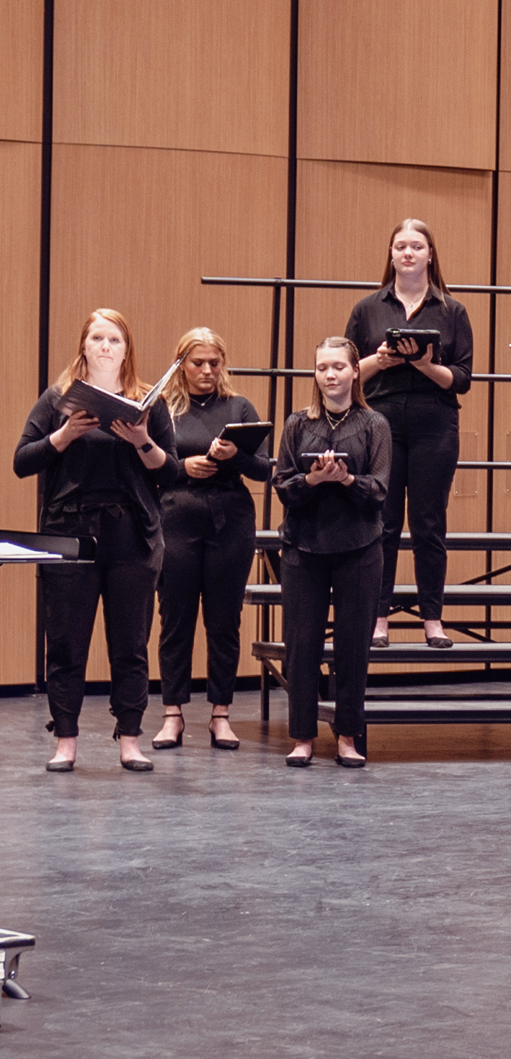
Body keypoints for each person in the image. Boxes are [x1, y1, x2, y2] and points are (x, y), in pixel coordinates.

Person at [14, 309, 178, 772]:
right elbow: (22, 461)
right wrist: (64, 435)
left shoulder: (148, 401)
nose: (106, 347)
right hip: (71, 533)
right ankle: (65, 740)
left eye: (115, 340)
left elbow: (173, 472)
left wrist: (143, 440)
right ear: (83, 346)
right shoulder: (57, 398)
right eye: (98, 338)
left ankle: (130, 739)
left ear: (127, 350)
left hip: (131, 534)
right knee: (66, 642)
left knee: (130, 643)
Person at [344, 218, 472, 648]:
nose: (408, 253)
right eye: (400, 246)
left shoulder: (452, 310)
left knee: (429, 524)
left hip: (434, 422)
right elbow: (346, 373)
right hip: (379, 422)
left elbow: (462, 378)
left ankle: (432, 620)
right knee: (382, 523)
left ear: (430, 254)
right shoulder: (368, 309)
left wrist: (424, 365)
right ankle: (377, 618)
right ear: (392, 254)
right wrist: (379, 360)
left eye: (417, 246)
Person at [273, 337, 391, 768]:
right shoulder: (297, 424)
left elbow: (379, 491)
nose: (330, 375)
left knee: (352, 647)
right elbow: (283, 486)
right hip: (304, 547)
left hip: (359, 548)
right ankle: (302, 736)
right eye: (323, 367)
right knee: (301, 646)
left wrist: (345, 481)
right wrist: (313, 481)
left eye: (339, 366)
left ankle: (347, 737)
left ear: (355, 371)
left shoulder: (374, 423)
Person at [153, 328, 269, 753]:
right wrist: (185, 467)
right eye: (197, 363)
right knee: (176, 619)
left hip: (230, 520)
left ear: (223, 364)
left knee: (224, 620)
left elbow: (263, 470)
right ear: (180, 364)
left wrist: (232, 457)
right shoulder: (163, 409)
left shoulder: (238, 407)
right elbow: (146, 465)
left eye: (213, 363)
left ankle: (221, 713)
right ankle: (173, 714)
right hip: (176, 518)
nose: (206, 371)